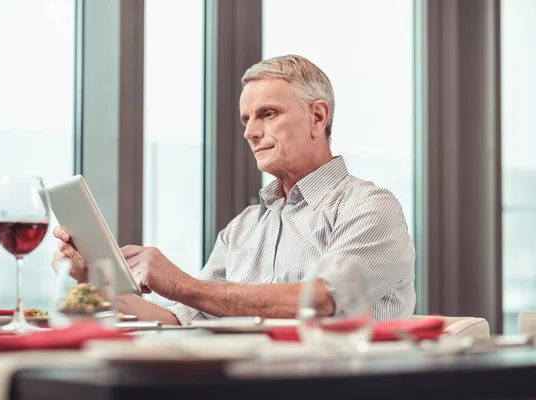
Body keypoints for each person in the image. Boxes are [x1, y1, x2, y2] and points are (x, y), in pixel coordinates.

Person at [51, 54, 416, 326]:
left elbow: (324, 299)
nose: (250, 132)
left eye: (267, 114)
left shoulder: (369, 208)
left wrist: (179, 283)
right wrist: (97, 282)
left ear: (317, 118)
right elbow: (176, 321)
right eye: (246, 119)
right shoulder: (242, 228)